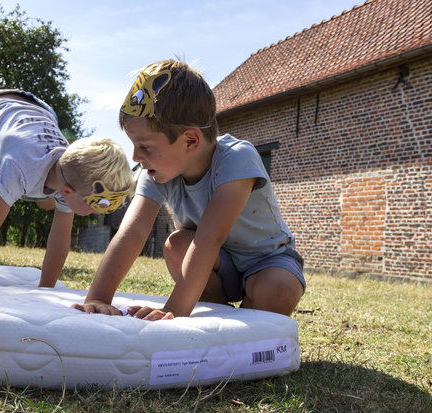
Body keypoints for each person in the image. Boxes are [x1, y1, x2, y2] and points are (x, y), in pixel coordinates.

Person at [73, 60, 305, 320]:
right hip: (218, 266)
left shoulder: (237, 157)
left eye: (145, 146)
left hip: (266, 262)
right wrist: (98, 298)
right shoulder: (157, 172)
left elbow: (209, 237)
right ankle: (219, 313)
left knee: (277, 289)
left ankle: (247, 318)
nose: (136, 156)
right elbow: (132, 233)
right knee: (177, 245)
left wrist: (174, 311)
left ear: (190, 141)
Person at [0, 89, 133, 287]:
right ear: (68, 192)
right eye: (95, 206)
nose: (96, 213)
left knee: (48, 204)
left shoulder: (70, 179)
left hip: (44, 112)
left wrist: (45, 290)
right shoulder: (19, 168)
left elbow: (59, 243)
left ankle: (44, 192)